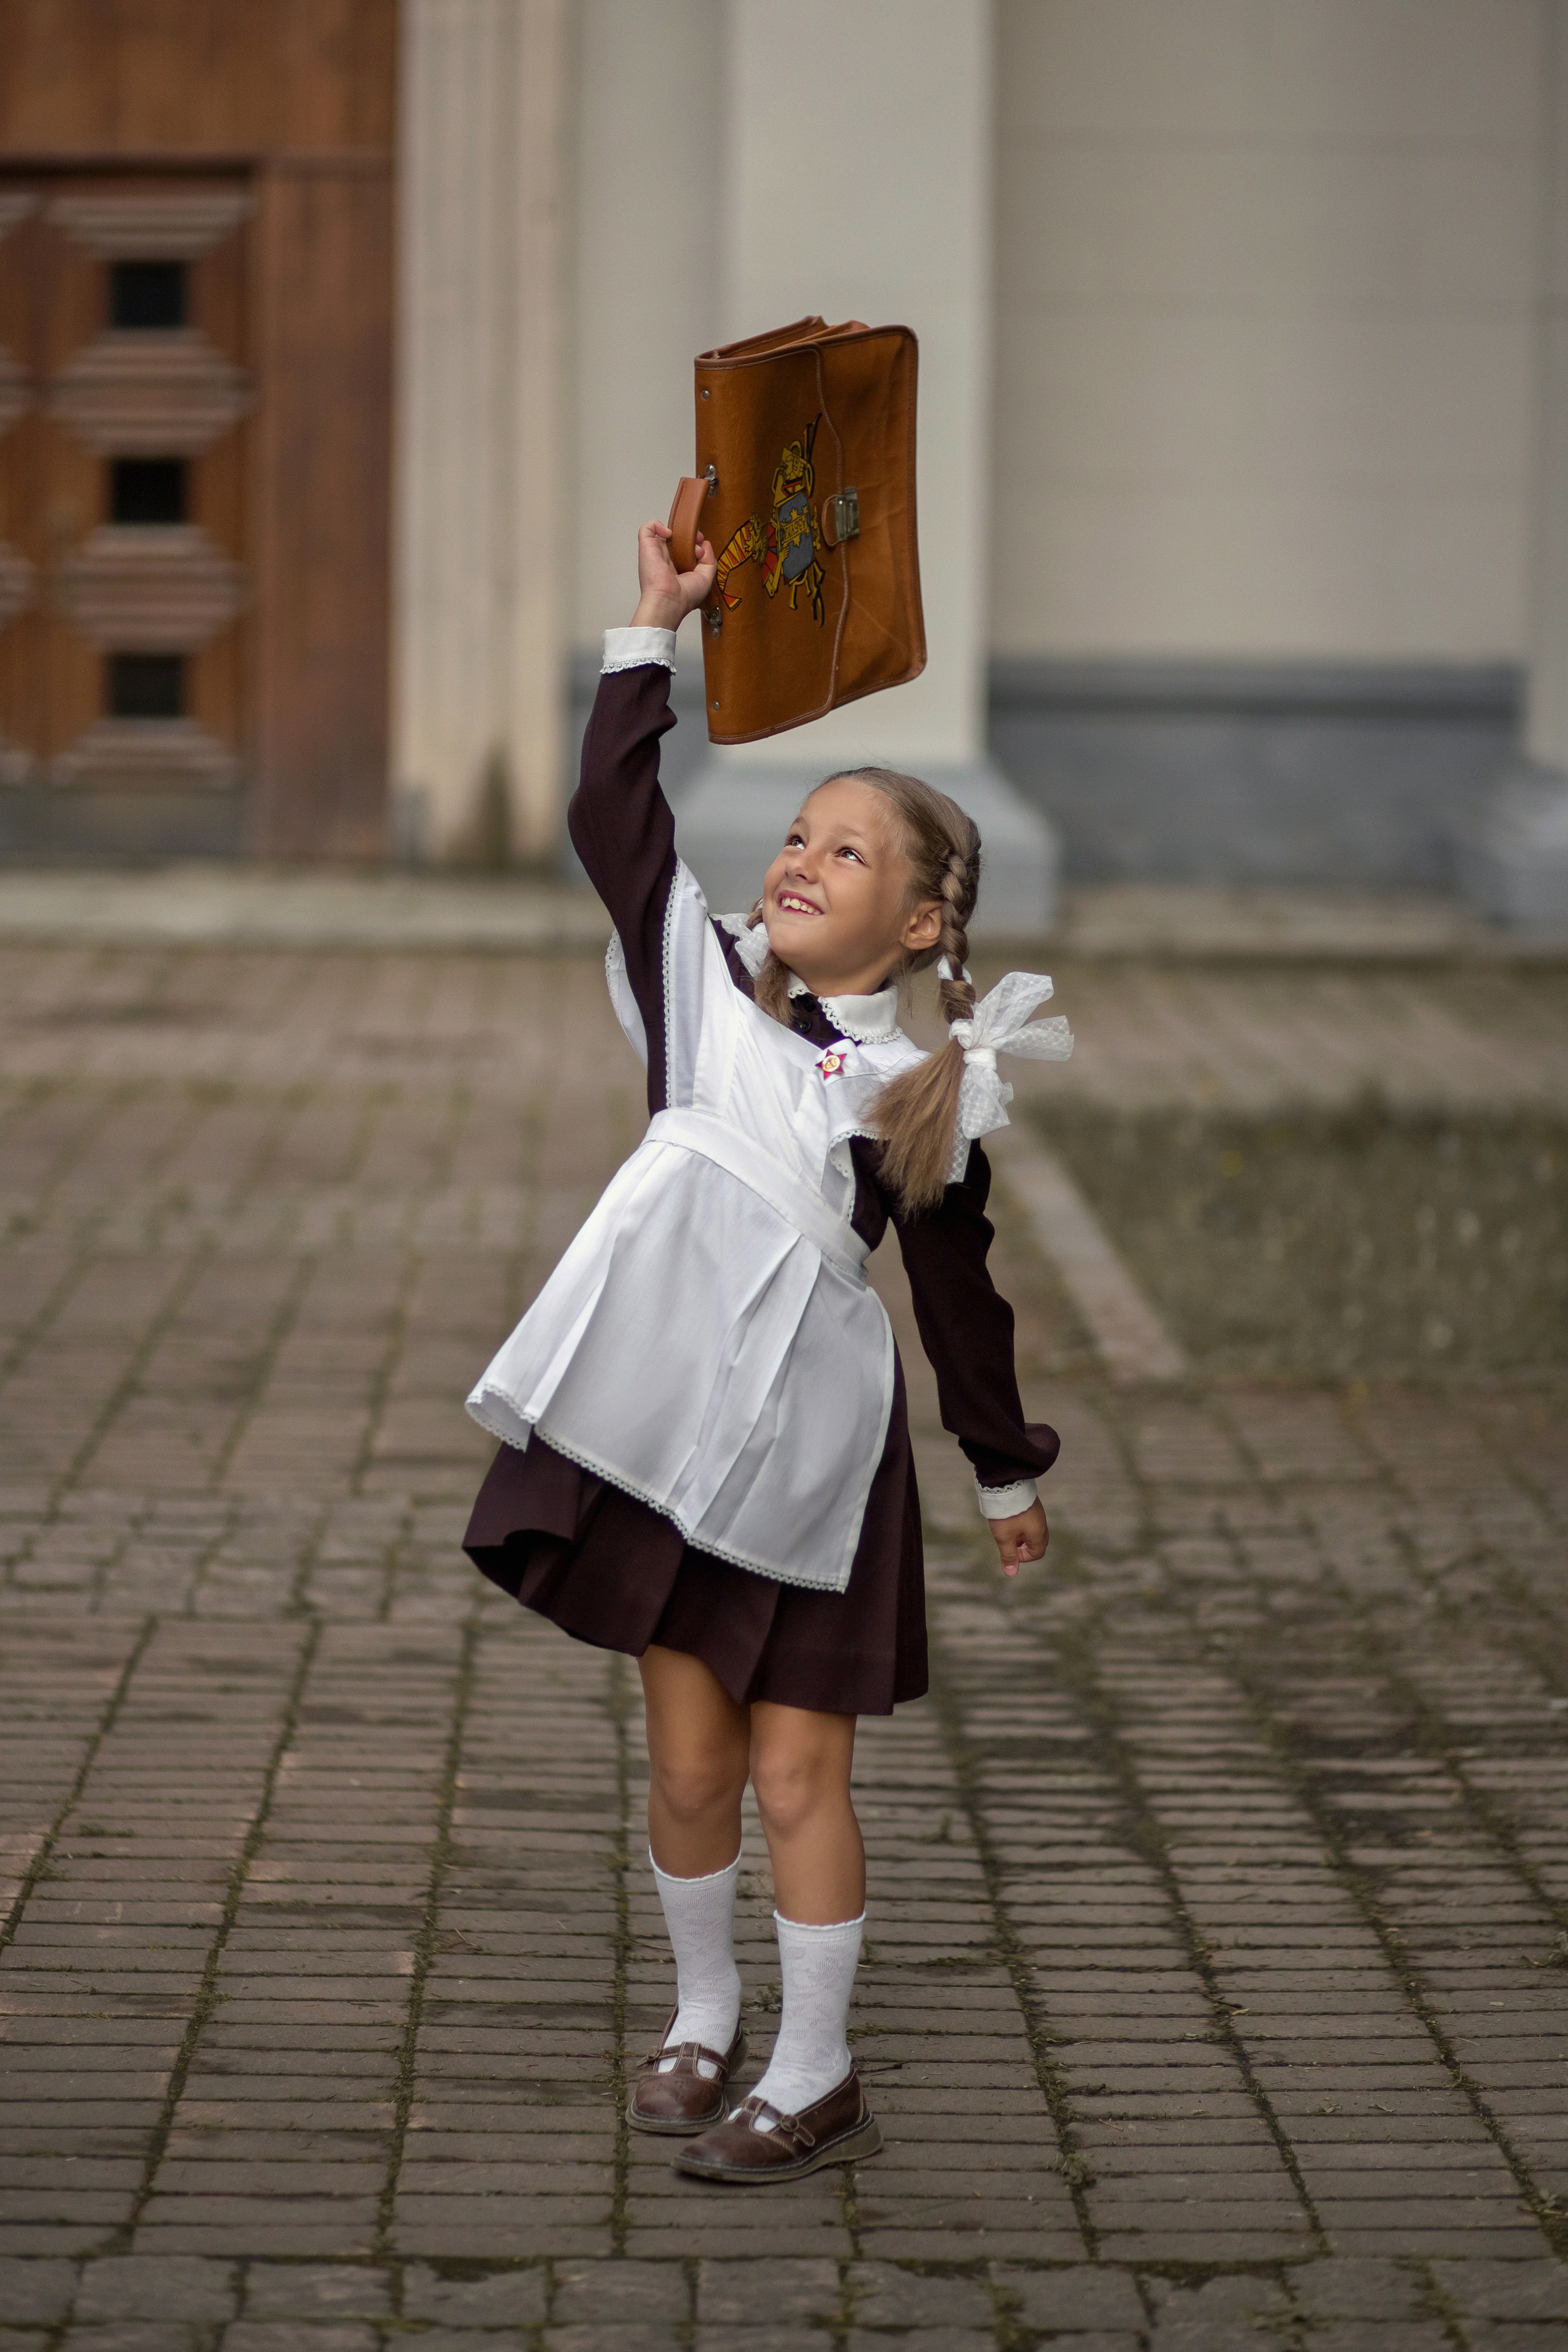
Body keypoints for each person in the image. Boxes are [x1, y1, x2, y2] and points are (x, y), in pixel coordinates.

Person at [463, 520, 1071, 2184]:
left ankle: (818, 2068)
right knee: (689, 1761)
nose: (800, 861)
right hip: (661, 1431)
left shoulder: (917, 1095)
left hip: (813, 1460)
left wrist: (1005, 1468)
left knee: (802, 1766)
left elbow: (960, 1300)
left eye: (849, 854)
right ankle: (701, 2006)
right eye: (797, 836)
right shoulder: (699, 987)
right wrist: (650, 636)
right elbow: (614, 820)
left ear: (926, 915)